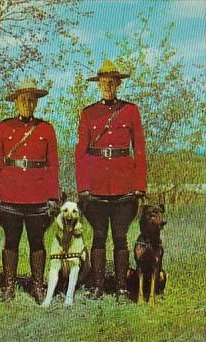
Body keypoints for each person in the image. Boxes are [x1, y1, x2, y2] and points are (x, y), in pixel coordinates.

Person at [75, 60, 147, 299]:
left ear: (118, 84)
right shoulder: (88, 113)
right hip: (95, 186)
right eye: (103, 82)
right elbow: (81, 153)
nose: (107, 86)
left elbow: (140, 150)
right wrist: (83, 186)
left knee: (120, 237)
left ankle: (121, 287)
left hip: (123, 185)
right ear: (99, 85)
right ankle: (97, 285)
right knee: (98, 235)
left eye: (111, 82)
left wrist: (139, 185)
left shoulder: (130, 111)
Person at [0, 79, 59, 304]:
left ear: (36, 103)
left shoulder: (46, 129)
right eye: (23, 99)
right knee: (11, 240)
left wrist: (52, 196)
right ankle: (8, 286)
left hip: (37, 194)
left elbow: (52, 165)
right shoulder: (4, 127)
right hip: (10, 194)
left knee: (37, 241)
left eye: (31, 99)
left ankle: (38, 286)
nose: (27, 103)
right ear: (15, 102)